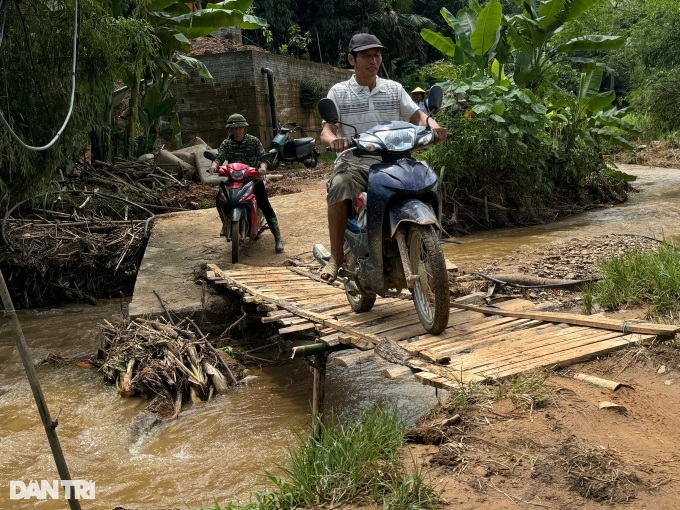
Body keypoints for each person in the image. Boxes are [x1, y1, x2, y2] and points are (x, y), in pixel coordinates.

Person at [319, 33, 447, 283]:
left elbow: (418, 117)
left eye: (377, 55)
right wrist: (333, 140)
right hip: (356, 163)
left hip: (395, 162)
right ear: (351, 59)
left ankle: (428, 246)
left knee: (427, 180)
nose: (373, 60)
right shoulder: (339, 92)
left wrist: (434, 125)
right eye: (367, 55)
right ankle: (336, 258)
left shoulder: (394, 89)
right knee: (339, 184)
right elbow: (327, 130)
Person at [210, 113, 284, 253]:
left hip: (253, 180)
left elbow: (263, 158)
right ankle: (226, 223)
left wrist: (262, 168)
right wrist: (214, 166)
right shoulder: (227, 143)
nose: (237, 130)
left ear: (244, 128)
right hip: (234, 180)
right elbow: (219, 157)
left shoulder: (254, 141)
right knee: (219, 200)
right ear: (230, 129)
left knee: (265, 205)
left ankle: (278, 238)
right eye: (234, 128)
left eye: (239, 128)